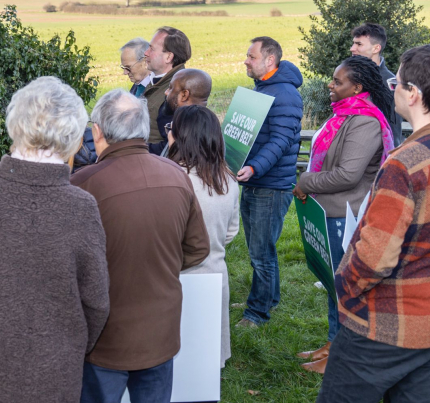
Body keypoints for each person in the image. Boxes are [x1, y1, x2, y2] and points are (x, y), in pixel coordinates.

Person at [0, 77, 110, 403]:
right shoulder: (80, 207)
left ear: (16, 123)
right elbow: (97, 302)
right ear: (73, 135)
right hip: (52, 375)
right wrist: (68, 344)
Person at [318, 43, 430, 403]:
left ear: (414, 94)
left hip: (386, 325)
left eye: (397, 81)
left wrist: (345, 289)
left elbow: (375, 257)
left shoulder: (406, 163)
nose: (391, 87)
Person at [72, 90, 210, 403]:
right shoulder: (177, 174)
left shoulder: (83, 184)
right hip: (160, 331)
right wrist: (158, 265)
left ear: (97, 132)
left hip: (105, 338)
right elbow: (198, 249)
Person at [291, 56, 395, 374]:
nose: (330, 85)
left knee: (345, 290)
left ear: (357, 87)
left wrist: (305, 180)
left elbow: (348, 175)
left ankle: (341, 355)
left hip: (346, 215)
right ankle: (332, 342)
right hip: (329, 212)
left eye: (338, 81)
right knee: (333, 283)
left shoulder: (365, 121)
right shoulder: (344, 115)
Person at [235, 36, 303, 328]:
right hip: (255, 180)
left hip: (270, 185)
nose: (246, 61)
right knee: (258, 249)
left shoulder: (285, 94)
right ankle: (267, 297)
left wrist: (253, 167)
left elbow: (281, 140)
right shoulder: (263, 88)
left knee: (262, 253)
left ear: (269, 60)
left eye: (251, 56)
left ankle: (257, 312)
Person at [166, 105, 239, 369]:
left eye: (170, 129)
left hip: (177, 276)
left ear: (181, 136)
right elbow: (231, 231)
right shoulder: (228, 179)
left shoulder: (172, 178)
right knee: (205, 359)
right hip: (214, 272)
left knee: (176, 357)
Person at [349, 22, 404, 145]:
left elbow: (393, 129)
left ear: (376, 48)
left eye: (359, 44)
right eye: (353, 43)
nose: (352, 48)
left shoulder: (389, 83)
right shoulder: (348, 77)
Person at [142, 26, 192, 144]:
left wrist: (138, 152)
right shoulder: (157, 81)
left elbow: (171, 146)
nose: (146, 53)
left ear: (168, 57)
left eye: (152, 49)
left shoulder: (177, 93)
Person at [150, 68, 212, 155]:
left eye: (170, 88)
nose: (166, 92)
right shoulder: (210, 124)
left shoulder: (187, 128)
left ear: (184, 95)